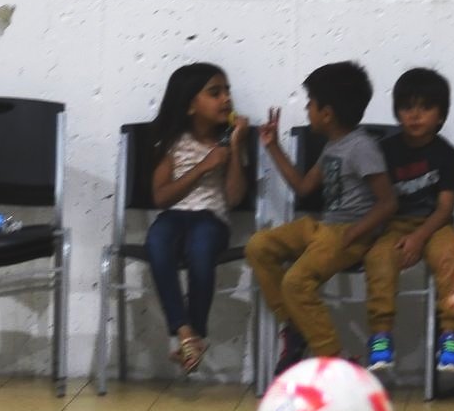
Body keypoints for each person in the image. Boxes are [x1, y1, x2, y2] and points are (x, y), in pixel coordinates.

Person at [248, 62, 396, 372]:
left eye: (310, 103)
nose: (306, 109)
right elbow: (304, 187)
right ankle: (295, 326)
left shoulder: (362, 147)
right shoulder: (333, 145)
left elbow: (387, 203)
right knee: (258, 246)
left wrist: (355, 234)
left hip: (346, 233)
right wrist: (273, 147)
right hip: (323, 227)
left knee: (296, 282)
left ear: (327, 113)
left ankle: (333, 358)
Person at [363, 67, 454, 380]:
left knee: (452, 258)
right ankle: (381, 335)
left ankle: (451, 335)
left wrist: (419, 238)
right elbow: (377, 200)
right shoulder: (384, 151)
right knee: (378, 258)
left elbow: (446, 207)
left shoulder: (446, 154)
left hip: (436, 225)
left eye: (425, 108)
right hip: (394, 225)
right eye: (407, 107)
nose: (414, 115)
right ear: (397, 111)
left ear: (441, 115)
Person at [142, 62, 250, 376]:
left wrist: (235, 146)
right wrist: (204, 166)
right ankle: (185, 331)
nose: (226, 99)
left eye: (227, 91)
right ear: (190, 105)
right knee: (156, 241)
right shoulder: (172, 143)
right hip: (174, 216)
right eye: (215, 93)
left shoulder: (228, 142)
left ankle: (194, 333)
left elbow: (234, 198)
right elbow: (161, 197)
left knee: (201, 249)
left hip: (211, 219)